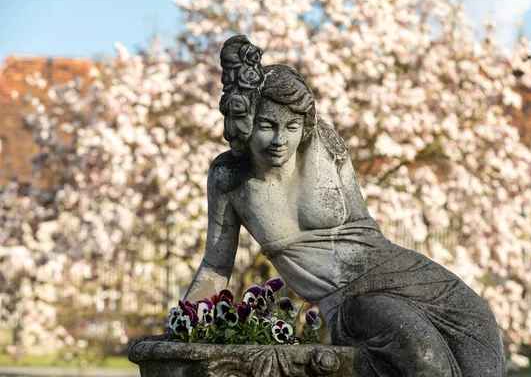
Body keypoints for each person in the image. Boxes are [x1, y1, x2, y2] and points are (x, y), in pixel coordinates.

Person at [184, 35, 507, 376]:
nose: (280, 140)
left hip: (398, 271)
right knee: (425, 357)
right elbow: (215, 266)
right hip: (350, 302)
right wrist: (186, 324)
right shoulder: (230, 178)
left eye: (292, 126)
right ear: (245, 123)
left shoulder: (324, 145)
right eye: (267, 126)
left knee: (479, 339)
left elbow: (365, 229)